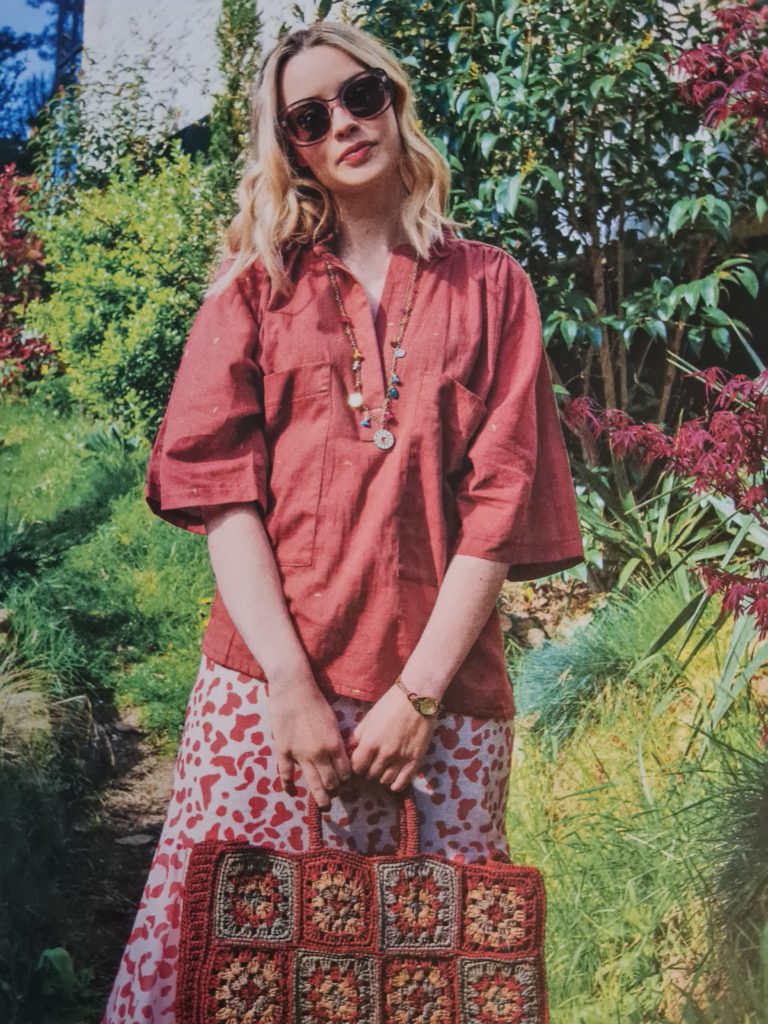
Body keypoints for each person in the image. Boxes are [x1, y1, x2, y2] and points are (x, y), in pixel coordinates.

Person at [102, 19, 584, 1024]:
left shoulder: (493, 287)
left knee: (431, 980)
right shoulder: (255, 289)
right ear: (289, 148)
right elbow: (222, 492)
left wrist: (419, 694)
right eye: (308, 118)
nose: (344, 124)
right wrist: (288, 685)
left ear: (393, 97)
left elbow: (499, 506)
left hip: (442, 709)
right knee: (229, 969)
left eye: (360, 95)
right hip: (269, 701)